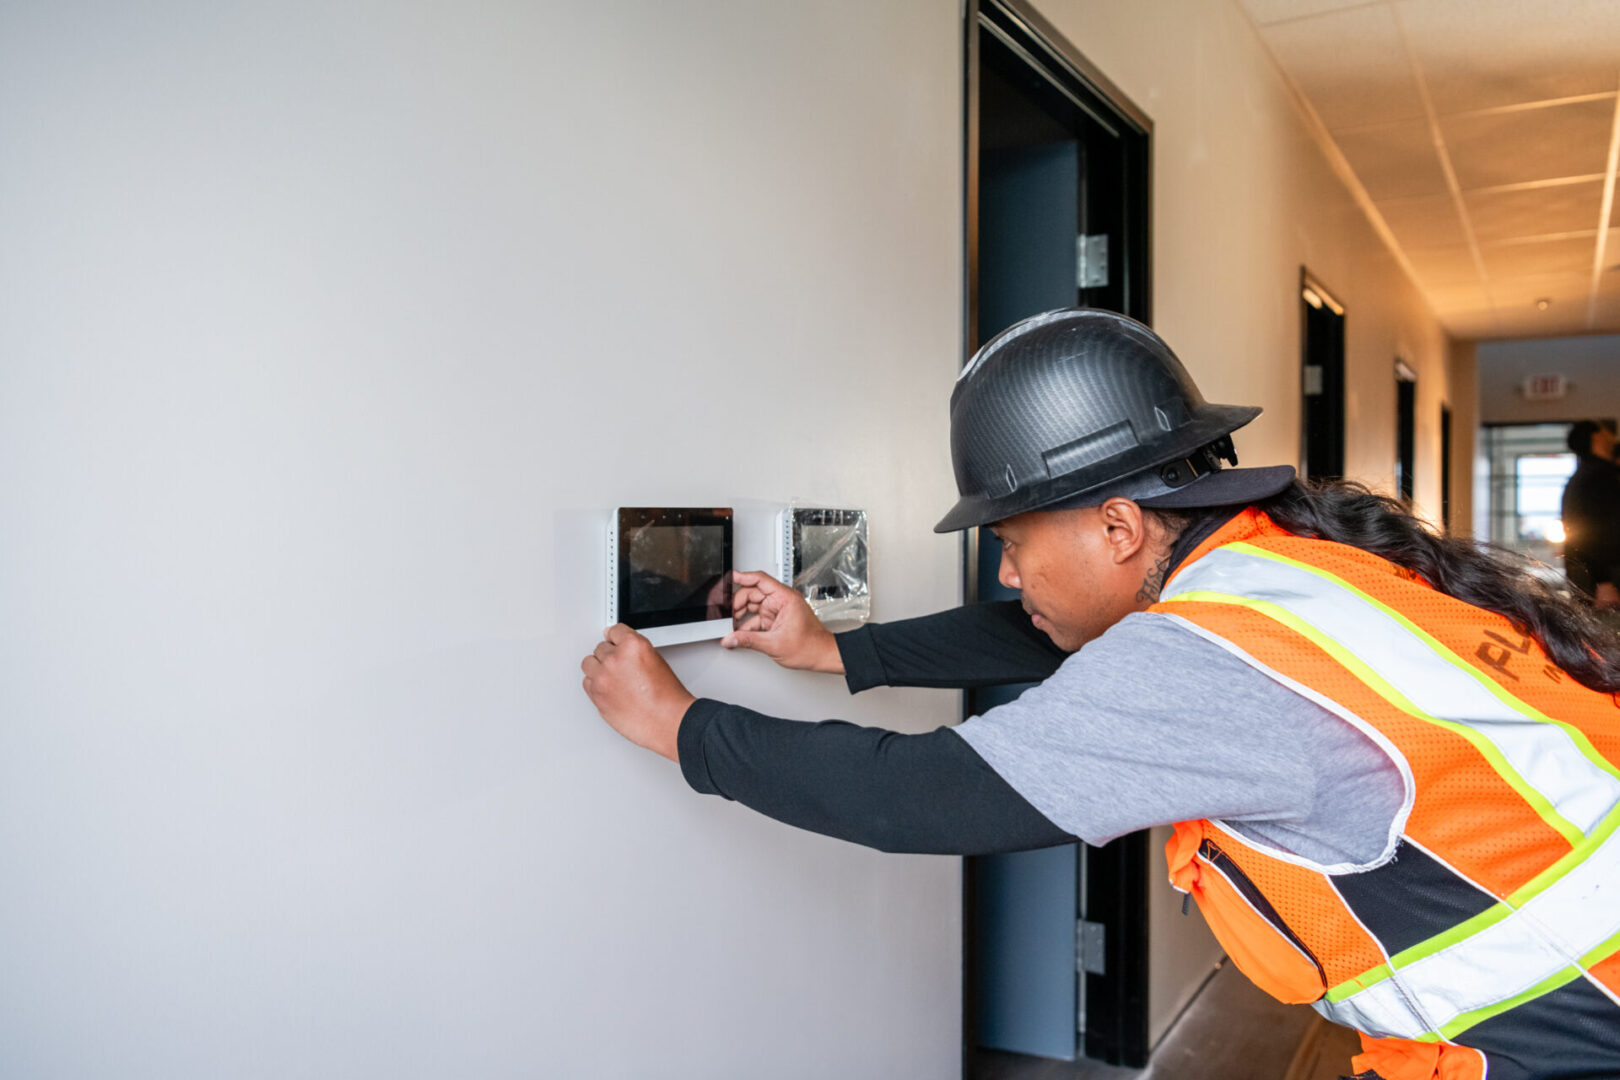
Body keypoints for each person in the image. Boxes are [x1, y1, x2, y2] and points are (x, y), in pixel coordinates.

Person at [580, 309, 1620, 1080]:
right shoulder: (1291, 564)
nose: (1007, 575)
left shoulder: (1205, 656)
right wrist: (837, 655)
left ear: (1119, 528)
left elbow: (921, 794)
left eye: (1014, 542)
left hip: (1566, 1031)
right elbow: (1062, 642)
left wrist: (683, 726)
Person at [1560, 419, 1620, 612]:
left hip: (1594, 573)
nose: (1613, 437)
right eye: (1607, 432)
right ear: (1597, 437)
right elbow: (1585, 531)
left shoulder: (1586, 476)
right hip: (1601, 575)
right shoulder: (1597, 478)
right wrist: (1603, 581)